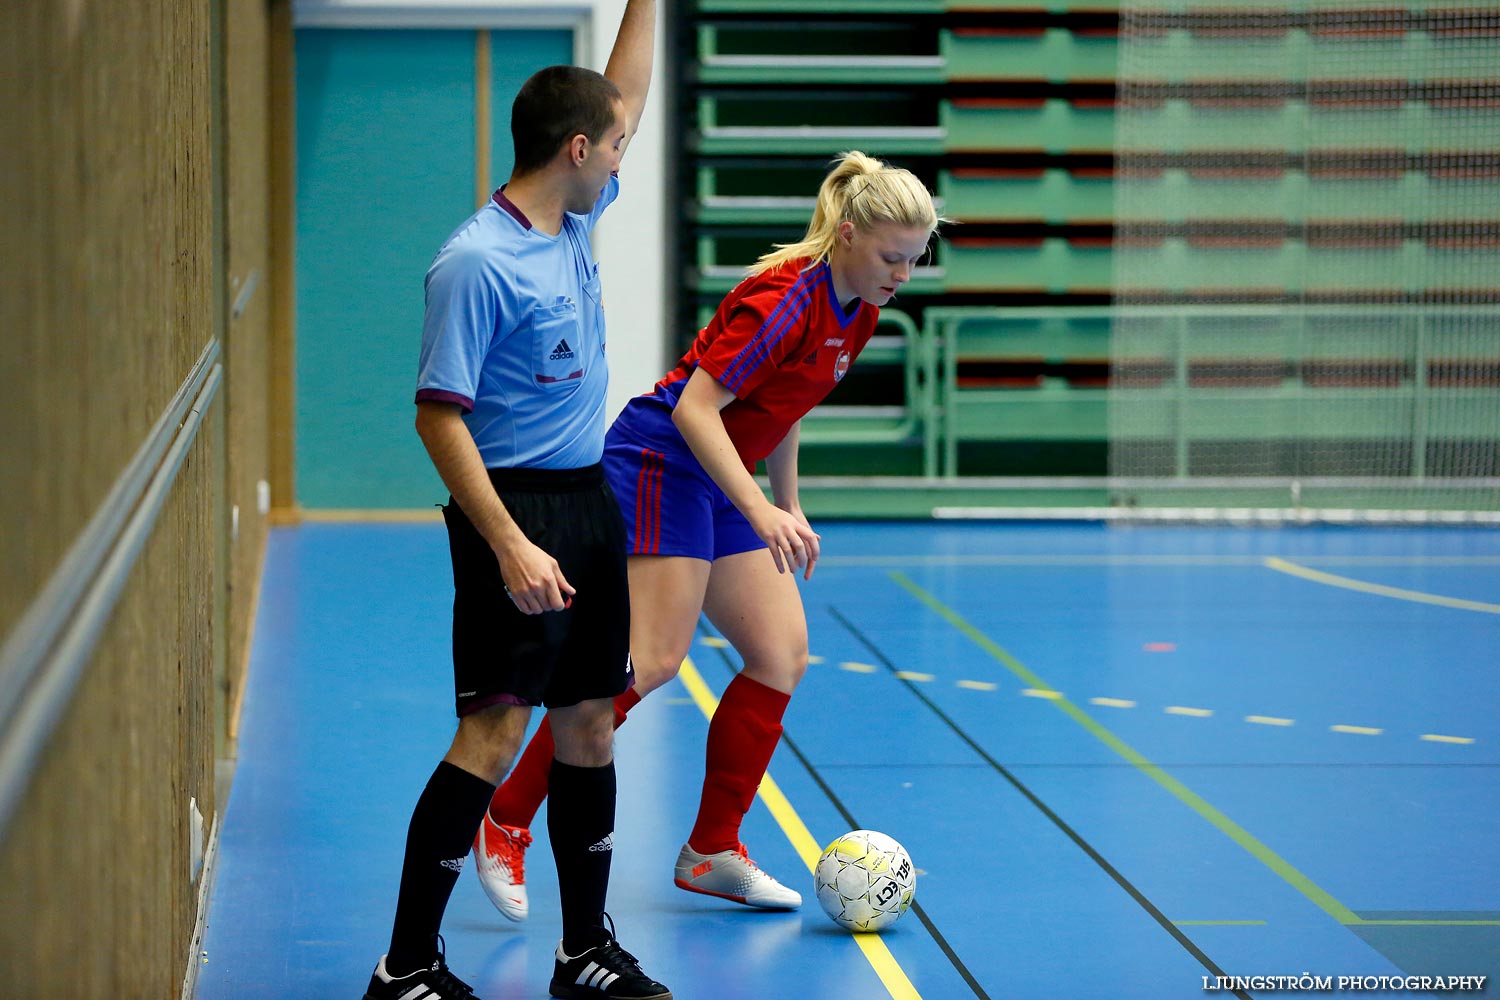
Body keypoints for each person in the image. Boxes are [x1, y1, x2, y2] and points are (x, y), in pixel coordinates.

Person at [471, 150, 943, 920]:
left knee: (780, 654)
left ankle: (711, 850)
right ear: (850, 235)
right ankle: (506, 819)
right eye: (894, 256)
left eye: (916, 260)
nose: (904, 274)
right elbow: (696, 408)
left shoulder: (861, 307)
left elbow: (786, 403)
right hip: (662, 458)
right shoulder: (786, 296)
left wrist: (787, 504)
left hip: (721, 472)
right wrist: (758, 509)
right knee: (653, 660)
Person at [361, 4, 671, 999]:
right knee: (493, 732)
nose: (625, 150)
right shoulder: (475, 263)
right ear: (576, 149)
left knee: (588, 723)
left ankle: (584, 952)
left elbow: (626, 88)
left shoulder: (575, 215)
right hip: (514, 517)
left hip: (587, 500)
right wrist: (507, 546)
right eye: (615, 142)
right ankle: (404, 967)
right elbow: (437, 418)